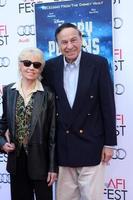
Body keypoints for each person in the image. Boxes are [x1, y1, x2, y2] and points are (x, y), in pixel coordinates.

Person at [42, 23, 117, 200]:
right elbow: (36, 90)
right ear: (57, 45)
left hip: (92, 144)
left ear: (81, 39)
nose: (69, 46)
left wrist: (109, 144)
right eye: (64, 42)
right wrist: (11, 90)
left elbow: (107, 105)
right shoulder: (51, 67)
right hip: (63, 147)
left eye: (73, 40)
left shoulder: (98, 63)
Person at [0, 47, 57, 200]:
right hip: (16, 162)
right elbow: (3, 123)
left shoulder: (48, 94)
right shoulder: (9, 92)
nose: (31, 67)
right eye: (27, 63)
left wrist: (52, 167)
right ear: (20, 65)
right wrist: (2, 143)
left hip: (41, 162)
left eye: (36, 65)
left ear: (41, 69)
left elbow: (53, 134)